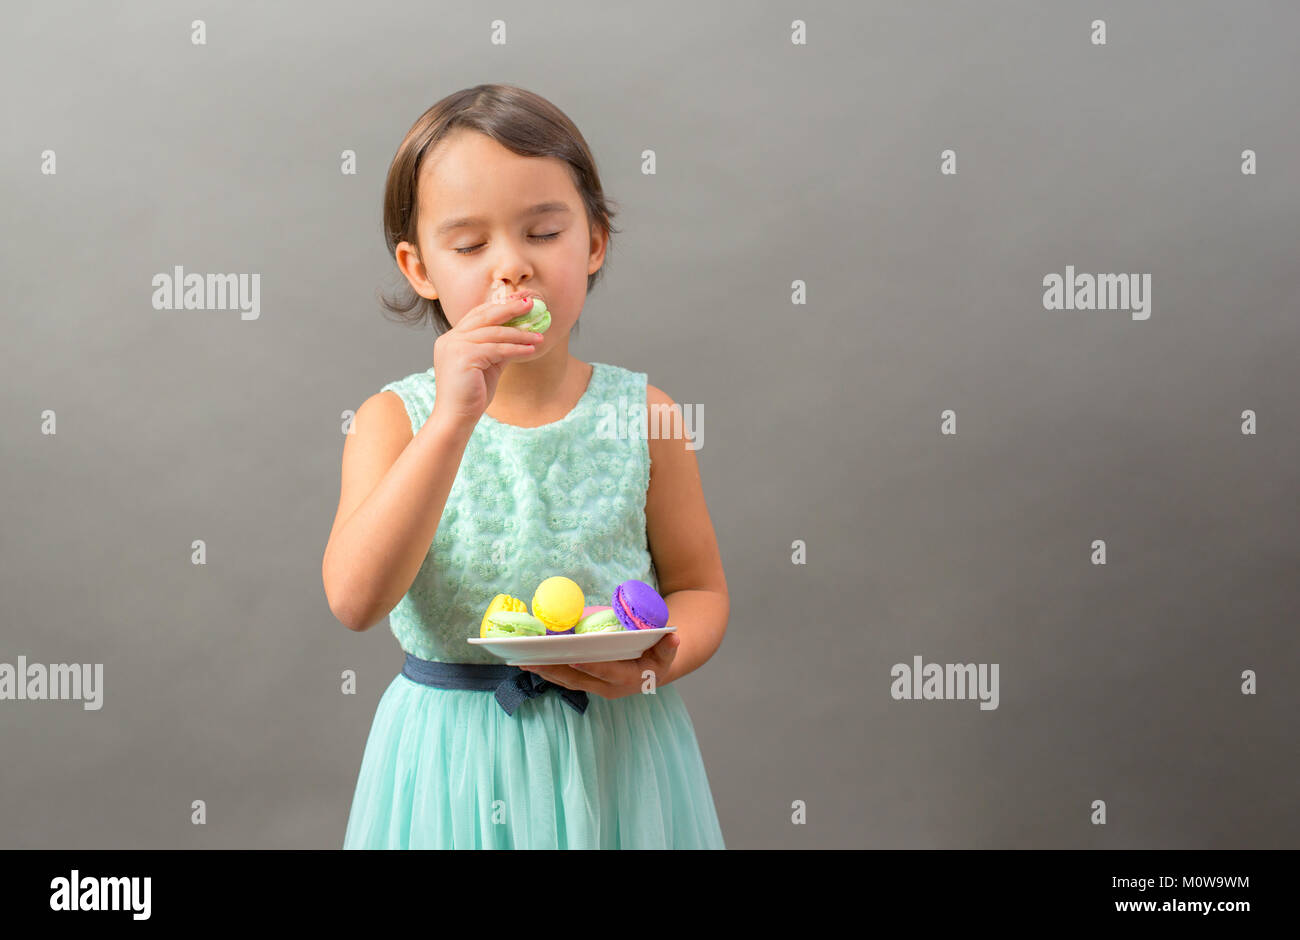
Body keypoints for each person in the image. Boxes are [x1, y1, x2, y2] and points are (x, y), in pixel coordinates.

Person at [323, 84, 728, 848]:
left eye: (544, 231)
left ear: (595, 242)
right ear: (419, 268)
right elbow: (355, 599)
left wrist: (653, 667)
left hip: (619, 758)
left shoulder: (646, 416)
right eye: (470, 247)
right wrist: (453, 419)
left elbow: (701, 588)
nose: (512, 268)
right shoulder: (393, 422)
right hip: (452, 771)